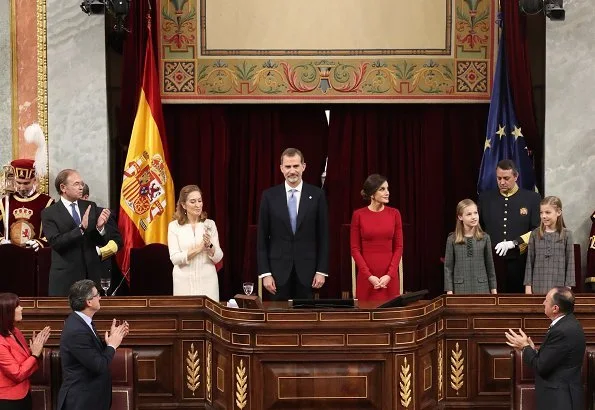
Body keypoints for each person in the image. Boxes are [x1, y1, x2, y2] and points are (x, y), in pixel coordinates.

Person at [257, 148, 329, 300]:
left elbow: (324, 236)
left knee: (306, 321)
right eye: (288, 167)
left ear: (303, 166)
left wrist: (321, 271)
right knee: (277, 321)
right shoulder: (269, 196)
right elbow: (261, 238)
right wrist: (266, 273)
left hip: (308, 273)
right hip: (277, 275)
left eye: (296, 166)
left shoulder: (317, 195)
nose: (292, 171)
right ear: (281, 168)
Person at [41, 169, 121, 296]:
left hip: (91, 277)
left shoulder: (90, 206)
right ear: (63, 187)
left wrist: (100, 228)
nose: (81, 188)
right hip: (66, 279)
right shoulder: (49, 213)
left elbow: (100, 241)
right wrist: (81, 229)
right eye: (76, 184)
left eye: (82, 184)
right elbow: (56, 242)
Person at [505, 287, 585, 410]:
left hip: (560, 401)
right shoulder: (569, 323)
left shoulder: (561, 330)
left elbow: (541, 367)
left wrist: (525, 347)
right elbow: (554, 359)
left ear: (555, 308)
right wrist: (532, 349)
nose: (543, 303)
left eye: (546, 300)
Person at [58, 280, 129, 410]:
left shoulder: (82, 322)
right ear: (89, 302)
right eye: (97, 295)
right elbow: (98, 365)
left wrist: (109, 341)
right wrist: (112, 346)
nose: (100, 297)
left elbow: (90, 352)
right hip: (82, 401)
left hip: (90, 398)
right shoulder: (77, 330)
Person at [478, 159, 541, 293]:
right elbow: (479, 228)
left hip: (520, 260)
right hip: (492, 260)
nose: (502, 182)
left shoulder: (532, 198)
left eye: (506, 178)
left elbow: (537, 230)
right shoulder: (485, 198)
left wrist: (515, 243)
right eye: (499, 178)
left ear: (516, 177)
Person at [350, 174, 403, 302]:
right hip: (367, 278)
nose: (387, 193)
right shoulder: (358, 215)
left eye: (387, 189)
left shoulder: (395, 214)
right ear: (372, 194)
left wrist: (389, 275)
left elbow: (399, 247)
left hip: (389, 278)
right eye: (382, 189)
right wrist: (369, 276)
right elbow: (355, 249)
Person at [167, 185, 223, 300]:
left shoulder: (210, 224)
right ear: (183, 205)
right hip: (183, 284)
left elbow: (218, 257)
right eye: (193, 202)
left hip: (208, 283)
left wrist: (209, 246)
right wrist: (199, 249)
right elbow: (175, 258)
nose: (198, 205)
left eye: (199, 201)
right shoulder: (174, 226)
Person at [0, 293, 50, 409]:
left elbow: (28, 365)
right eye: (17, 306)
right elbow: (17, 374)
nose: (21, 308)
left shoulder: (15, 332)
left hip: (24, 394)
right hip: (7, 400)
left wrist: (36, 352)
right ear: (7, 312)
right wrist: (34, 355)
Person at [444, 199, 497, 294]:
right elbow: (448, 268)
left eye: (475, 213)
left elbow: (490, 267)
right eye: (469, 214)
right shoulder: (452, 239)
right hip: (460, 288)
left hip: (482, 288)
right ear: (460, 217)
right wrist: (449, 291)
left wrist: (494, 291)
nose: (474, 217)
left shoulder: (485, 238)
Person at [524, 196, 575, 294]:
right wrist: (528, 286)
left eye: (547, 212)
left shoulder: (567, 234)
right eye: (541, 212)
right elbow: (529, 262)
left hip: (559, 287)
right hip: (537, 285)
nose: (543, 216)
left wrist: (568, 288)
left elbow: (570, 263)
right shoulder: (535, 234)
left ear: (558, 212)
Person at [0, 159, 54, 250]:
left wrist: (39, 242)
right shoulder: (4, 203)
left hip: (35, 257)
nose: (22, 187)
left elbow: (54, 232)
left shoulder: (47, 203)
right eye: (18, 182)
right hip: (9, 256)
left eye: (26, 183)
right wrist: (1, 240)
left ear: (34, 180)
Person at [81, 183, 124, 295]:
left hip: (99, 270)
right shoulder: (68, 215)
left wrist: (99, 252)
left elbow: (117, 241)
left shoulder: (101, 213)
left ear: (85, 197)